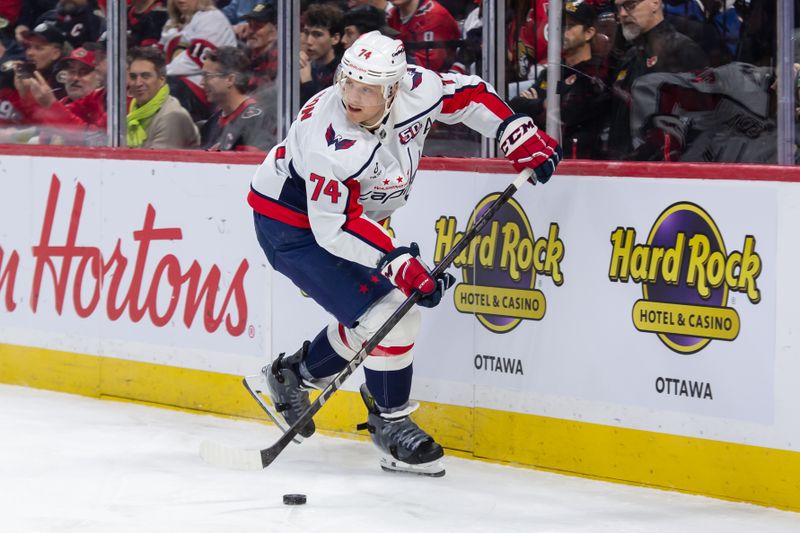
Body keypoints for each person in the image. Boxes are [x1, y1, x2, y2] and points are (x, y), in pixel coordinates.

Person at [247, 31, 560, 476]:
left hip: (349, 214)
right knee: (394, 311)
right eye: (347, 82)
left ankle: (292, 377)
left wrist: (512, 130)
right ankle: (390, 423)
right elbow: (334, 227)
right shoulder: (329, 139)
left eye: (367, 89)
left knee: (376, 316)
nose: (352, 96)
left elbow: (468, 95)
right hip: (293, 223)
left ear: (394, 89)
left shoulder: (419, 88)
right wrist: (397, 260)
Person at [605, 0, 709, 159]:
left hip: (663, 171)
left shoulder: (683, 51)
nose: (623, 14)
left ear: (654, 3)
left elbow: (700, 123)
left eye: (630, 5)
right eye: (619, 7)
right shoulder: (629, 57)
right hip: (619, 168)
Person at [509, 1, 610, 159]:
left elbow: (567, 114)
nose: (561, 31)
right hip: (545, 158)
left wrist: (540, 107)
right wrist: (543, 104)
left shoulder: (596, 74)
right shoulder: (553, 72)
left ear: (589, 33)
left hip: (583, 162)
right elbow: (514, 107)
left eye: (569, 26)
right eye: (559, 25)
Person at [159, 0, 236, 122]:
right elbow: (158, 53)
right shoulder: (172, 23)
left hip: (207, 88)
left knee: (160, 88)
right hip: (181, 82)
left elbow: (196, 61)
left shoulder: (211, 17)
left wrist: (160, 73)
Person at [199, 46, 274, 151]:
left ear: (230, 79)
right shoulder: (211, 124)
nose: (201, 83)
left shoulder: (257, 119)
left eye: (207, 76)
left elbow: (257, 162)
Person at [127, 46, 199, 149]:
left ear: (161, 80)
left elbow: (156, 163)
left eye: (145, 76)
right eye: (133, 77)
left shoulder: (172, 115)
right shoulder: (132, 113)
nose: (138, 83)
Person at [387, 0, 460, 72]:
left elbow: (426, 70)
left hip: (440, 79)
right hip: (402, 76)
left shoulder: (434, 15)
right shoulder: (390, 16)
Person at [300, 3, 344, 104]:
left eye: (317, 34)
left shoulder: (342, 73)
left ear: (335, 38)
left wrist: (307, 82)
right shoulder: (302, 65)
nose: (309, 41)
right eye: (307, 33)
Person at [241, 2, 278, 90]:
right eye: (250, 25)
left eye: (258, 26)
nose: (251, 31)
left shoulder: (277, 56)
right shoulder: (247, 53)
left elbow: (264, 88)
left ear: (274, 30)